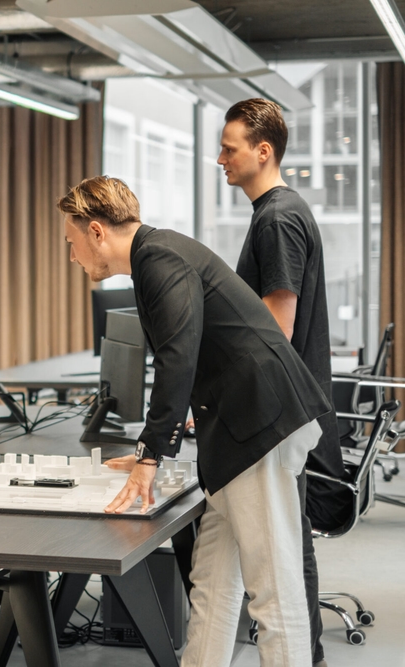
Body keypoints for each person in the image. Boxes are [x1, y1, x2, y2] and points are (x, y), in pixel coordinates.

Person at [59, 175, 330, 666]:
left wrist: (149, 456)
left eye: (71, 241)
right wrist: (153, 445)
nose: (72, 255)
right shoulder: (157, 255)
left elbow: (177, 357)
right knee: (213, 585)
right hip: (238, 432)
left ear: (96, 231)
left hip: (258, 427)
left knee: (273, 590)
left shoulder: (159, 258)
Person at [219, 97, 348, 667]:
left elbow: (276, 328)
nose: (220, 159)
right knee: (290, 543)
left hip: (281, 412)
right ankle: (308, 654)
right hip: (289, 407)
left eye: (229, 149)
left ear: (263, 151)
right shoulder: (279, 212)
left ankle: (306, 656)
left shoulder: (276, 219)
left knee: (289, 549)